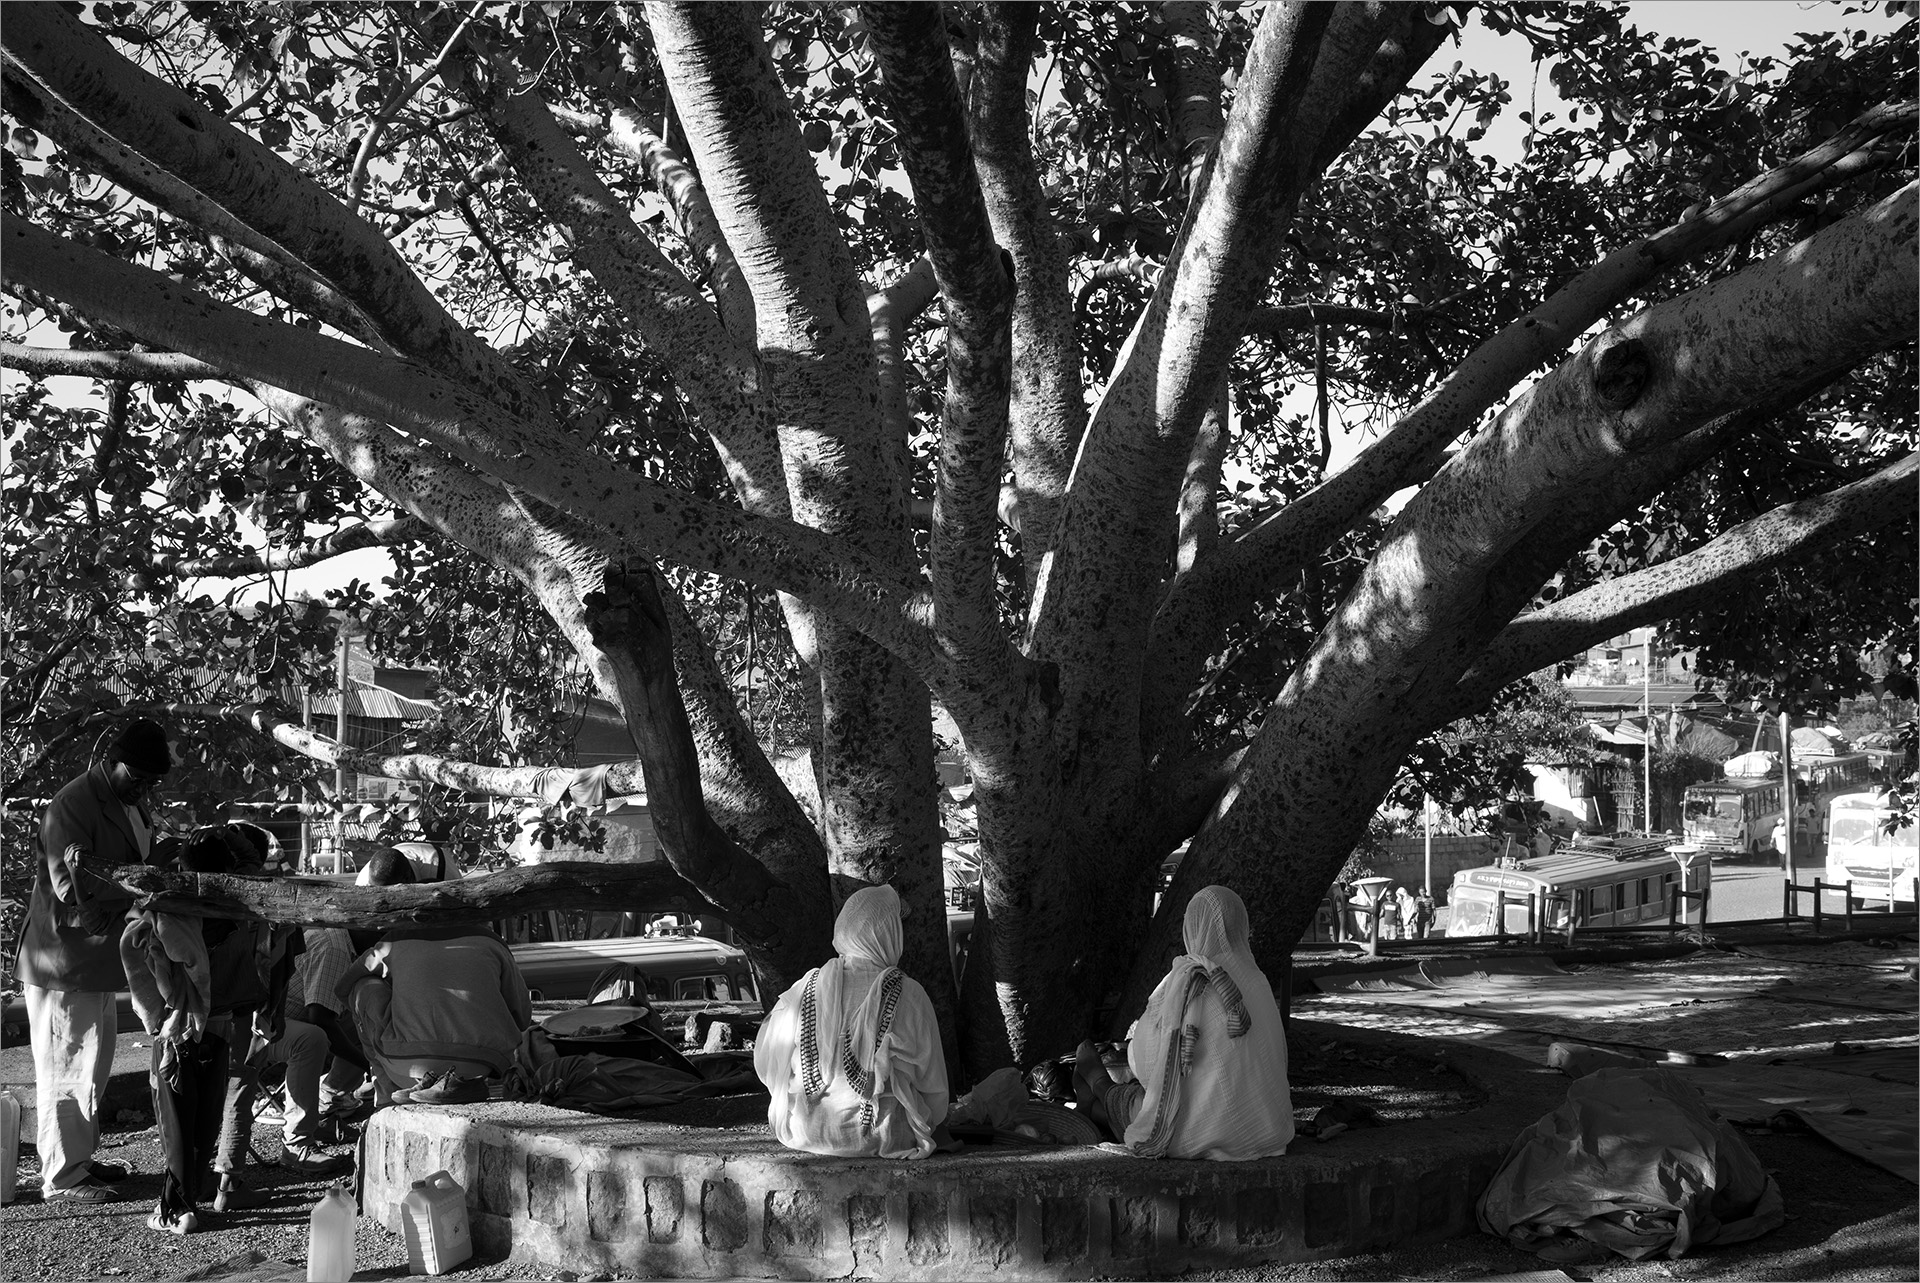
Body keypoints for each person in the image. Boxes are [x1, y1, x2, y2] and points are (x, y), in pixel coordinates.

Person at [14, 719, 172, 1204]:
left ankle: (78, 1159)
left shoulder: (127, 799)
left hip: (97, 959)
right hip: (64, 962)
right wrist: (142, 883)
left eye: (151, 782)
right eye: (138, 778)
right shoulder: (73, 803)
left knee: (92, 1066)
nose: (144, 789)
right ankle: (62, 1177)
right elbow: (68, 885)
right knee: (66, 1069)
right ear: (112, 761)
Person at [122, 828, 273, 1235]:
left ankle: (179, 1210)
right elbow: (250, 862)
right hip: (221, 1025)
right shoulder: (238, 903)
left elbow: (134, 936)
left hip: (177, 1030)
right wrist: (225, 837)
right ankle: (189, 1196)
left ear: (183, 866)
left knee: (176, 1122)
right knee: (205, 1120)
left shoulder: (169, 907)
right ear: (227, 867)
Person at [1073, 885, 1293, 1160]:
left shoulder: (1184, 980)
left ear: (1192, 928)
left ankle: (1096, 1083)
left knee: (1139, 1105)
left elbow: (1148, 1067)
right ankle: (1091, 1100)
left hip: (1194, 1136)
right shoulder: (1258, 981)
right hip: (1268, 1131)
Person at [754, 885, 949, 1159]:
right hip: (885, 1138)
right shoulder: (909, 993)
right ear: (888, 932)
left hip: (805, 1133)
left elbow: (766, 1062)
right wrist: (931, 1118)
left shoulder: (805, 987)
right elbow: (934, 1086)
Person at [338, 850, 531, 1106]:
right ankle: (455, 1079)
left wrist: (399, 995)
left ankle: (385, 1092)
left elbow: (345, 987)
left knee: (363, 985)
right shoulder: (492, 942)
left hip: (407, 1066)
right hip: (490, 1063)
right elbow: (522, 1016)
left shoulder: (394, 941)